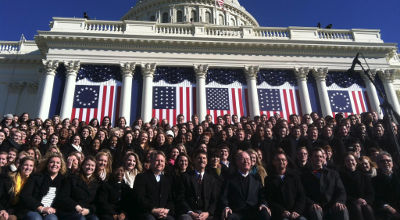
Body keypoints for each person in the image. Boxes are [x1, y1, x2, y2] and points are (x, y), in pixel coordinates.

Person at [300, 148, 349, 220]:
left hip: (331, 206)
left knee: (342, 208)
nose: (318, 158)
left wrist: (339, 201)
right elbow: (302, 194)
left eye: (320, 156)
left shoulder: (333, 173)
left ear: (323, 158)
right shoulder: (304, 176)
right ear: (311, 158)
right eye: (316, 156)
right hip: (315, 207)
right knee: (315, 210)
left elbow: (341, 191)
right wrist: (311, 203)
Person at [221, 151, 271, 220]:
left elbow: (262, 196)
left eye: (248, 159)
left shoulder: (256, 178)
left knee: (265, 213)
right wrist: (226, 207)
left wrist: (263, 204)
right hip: (237, 213)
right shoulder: (230, 179)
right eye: (243, 159)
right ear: (237, 162)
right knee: (228, 216)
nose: (246, 161)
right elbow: (224, 196)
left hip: (254, 211)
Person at [19, 153, 66, 220]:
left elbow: (64, 199)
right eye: (52, 162)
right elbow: (25, 195)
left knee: (52, 219)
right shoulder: (36, 177)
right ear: (47, 165)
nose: (55, 164)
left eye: (58, 163)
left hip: (51, 211)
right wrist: (41, 208)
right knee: (36, 218)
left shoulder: (64, 180)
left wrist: (55, 209)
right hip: (34, 209)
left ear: (61, 166)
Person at [133, 151, 175, 219]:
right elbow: (140, 198)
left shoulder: (167, 180)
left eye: (162, 161)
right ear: (151, 162)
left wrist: (166, 210)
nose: (160, 163)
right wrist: (153, 210)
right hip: (147, 212)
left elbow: (170, 200)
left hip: (164, 213)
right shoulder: (141, 177)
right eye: (157, 160)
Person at [265, 152, 306, 220]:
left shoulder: (294, 177)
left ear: (286, 162)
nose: (281, 162)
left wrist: (297, 211)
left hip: (296, 213)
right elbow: (270, 199)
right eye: (278, 160)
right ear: (274, 162)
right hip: (280, 214)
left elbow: (301, 196)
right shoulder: (269, 179)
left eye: (283, 160)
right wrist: (282, 211)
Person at [177, 150, 217, 220]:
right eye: (199, 158)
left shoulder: (211, 179)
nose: (202, 160)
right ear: (194, 160)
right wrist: (191, 212)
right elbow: (181, 198)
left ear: (207, 161)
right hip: (189, 213)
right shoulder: (185, 177)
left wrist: (208, 213)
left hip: (206, 213)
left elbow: (214, 200)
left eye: (204, 158)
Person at [339, 153, 375, 220]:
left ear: (356, 162)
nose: (350, 162)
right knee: (357, 207)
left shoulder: (364, 176)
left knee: (367, 208)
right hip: (350, 202)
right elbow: (343, 192)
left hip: (364, 202)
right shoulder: (341, 176)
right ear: (345, 163)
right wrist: (355, 200)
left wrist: (365, 200)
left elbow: (371, 193)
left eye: (352, 160)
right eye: (347, 161)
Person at [372, 151, 400, 220]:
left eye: (388, 160)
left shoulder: (398, 175)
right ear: (378, 164)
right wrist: (388, 208)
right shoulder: (374, 181)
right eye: (382, 161)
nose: (386, 163)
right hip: (387, 210)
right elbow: (377, 199)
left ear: (392, 163)